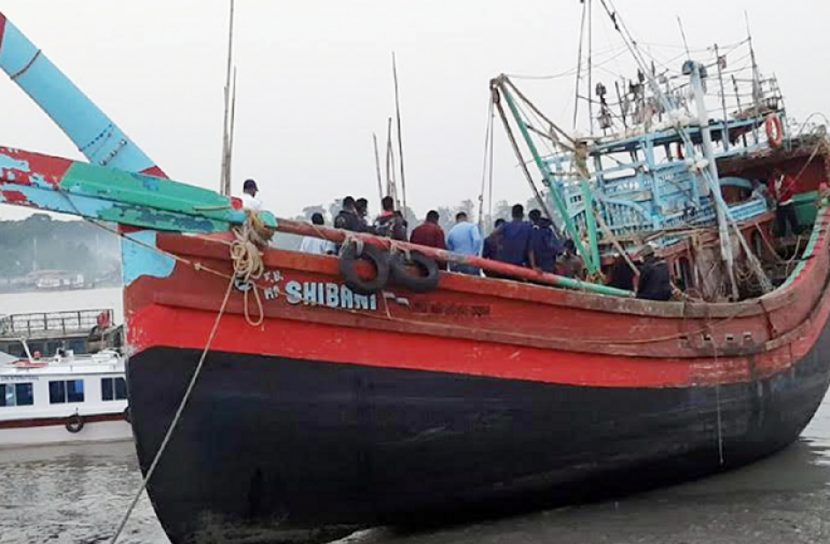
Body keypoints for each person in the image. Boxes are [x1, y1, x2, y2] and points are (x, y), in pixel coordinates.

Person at [767, 169, 802, 237]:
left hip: (788, 202)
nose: (774, 177)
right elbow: (770, 190)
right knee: (781, 221)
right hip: (779, 204)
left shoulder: (787, 179)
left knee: (792, 220)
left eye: (775, 175)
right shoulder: (773, 181)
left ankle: (797, 234)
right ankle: (782, 235)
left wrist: (786, 189)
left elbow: (793, 188)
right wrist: (771, 194)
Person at [528, 209, 560, 273]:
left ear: (530, 219)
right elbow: (555, 247)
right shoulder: (547, 230)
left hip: (535, 267)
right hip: (548, 265)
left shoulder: (529, 231)